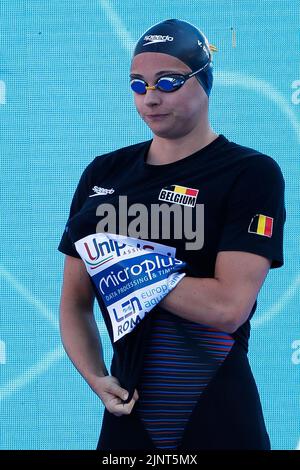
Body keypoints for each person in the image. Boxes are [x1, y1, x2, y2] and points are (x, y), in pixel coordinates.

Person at [58, 19, 285, 450]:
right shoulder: (104, 174)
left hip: (218, 414)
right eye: (138, 85)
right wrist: (94, 377)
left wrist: (122, 261)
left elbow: (228, 307)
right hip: (129, 416)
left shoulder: (250, 173)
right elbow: (74, 303)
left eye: (168, 81)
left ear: (204, 80)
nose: (151, 97)